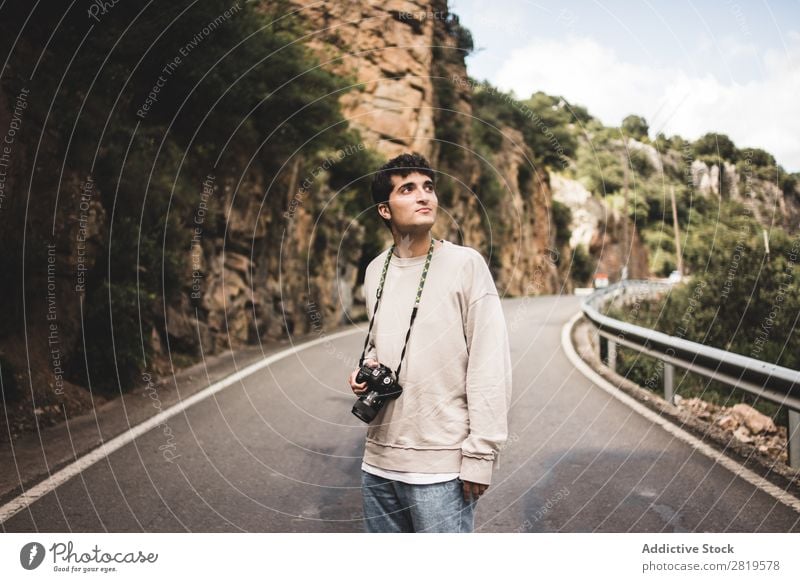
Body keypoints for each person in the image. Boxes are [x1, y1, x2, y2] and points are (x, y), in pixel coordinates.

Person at [347, 152, 513, 533]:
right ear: (385, 210)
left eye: (428, 187)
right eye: (408, 189)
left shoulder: (466, 264)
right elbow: (377, 345)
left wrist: (480, 455)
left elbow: (490, 362)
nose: (424, 196)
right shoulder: (376, 270)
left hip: (441, 469)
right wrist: (364, 370)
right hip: (378, 463)